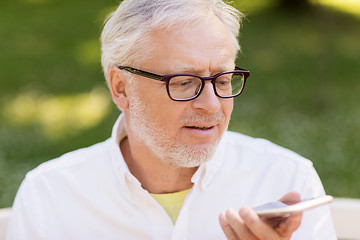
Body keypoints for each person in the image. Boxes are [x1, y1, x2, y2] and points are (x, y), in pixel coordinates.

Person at [7, 0, 336, 239]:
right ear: (120, 87)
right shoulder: (50, 197)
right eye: (184, 83)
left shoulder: (285, 179)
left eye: (222, 80)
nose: (211, 105)